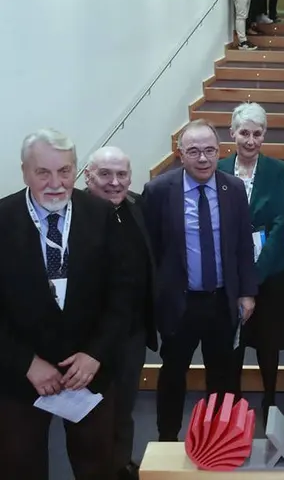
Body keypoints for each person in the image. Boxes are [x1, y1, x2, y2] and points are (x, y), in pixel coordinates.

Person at [0, 130, 133, 480]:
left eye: (65, 171)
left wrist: (95, 355)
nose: (56, 183)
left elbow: (123, 295)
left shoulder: (102, 215)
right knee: (19, 467)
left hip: (89, 376)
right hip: (19, 377)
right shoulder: (2, 220)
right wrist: (26, 363)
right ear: (25, 171)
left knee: (98, 467)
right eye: (43, 172)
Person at [142, 120, 257, 442]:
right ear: (180, 154)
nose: (203, 158)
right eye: (194, 151)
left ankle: (221, 439)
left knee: (224, 376)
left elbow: (243, 247)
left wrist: (247, 292)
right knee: (173, 374)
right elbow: (150, 251)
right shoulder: (158, 191)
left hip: (223, 299)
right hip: (180, 302)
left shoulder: (233, 188)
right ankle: (167, 438)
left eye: (209, 151)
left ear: (220, 152)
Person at [217, 103, 284, 428]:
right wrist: (239, 279)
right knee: (231, 344)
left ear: (264, 135)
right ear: (232, 133)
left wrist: (255, 279)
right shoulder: (218, 167)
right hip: (228, 273)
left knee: (268, 342)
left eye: (257, 133)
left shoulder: (276, 170)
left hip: (272, 272)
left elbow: (279, 223)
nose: (250, 140)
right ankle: (232, 402)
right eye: (244, 132)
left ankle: (271, 397)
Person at [85, 146, 156, 480]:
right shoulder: (74, 213)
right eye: (105, 174)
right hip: (90, 337)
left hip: (133, 330)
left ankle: (121, 463)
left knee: (125, 403)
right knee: (92, 411)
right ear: (88, 176)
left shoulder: (138, 205)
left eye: (122, 174)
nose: (114, 182)